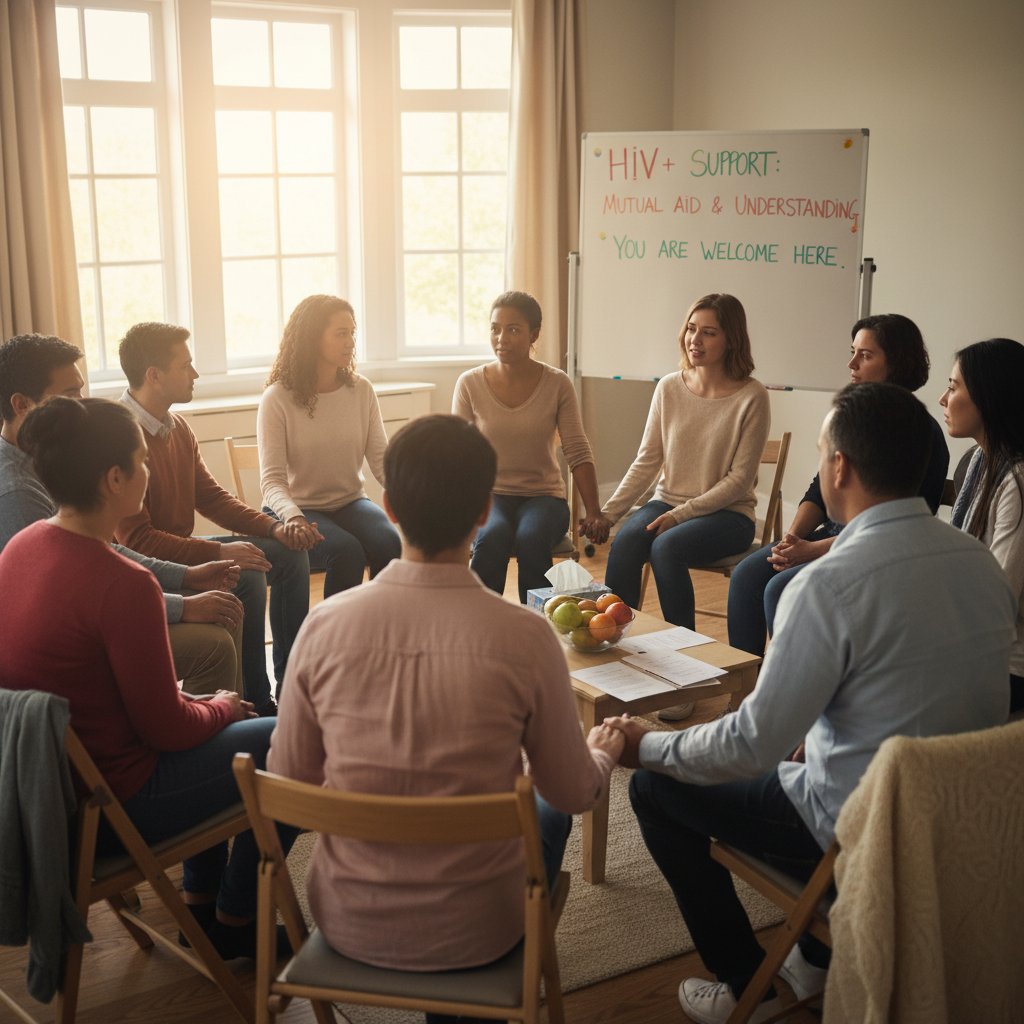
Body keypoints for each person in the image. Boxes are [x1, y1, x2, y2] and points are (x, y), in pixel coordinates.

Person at [604, 382, 1015, 1024]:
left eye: (822, 453)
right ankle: (817, 959)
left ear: (840, 467)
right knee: (795, 754)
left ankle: (747, 985)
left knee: (655, 791)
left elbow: (748, 745)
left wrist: (644, 746)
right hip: (959, 825)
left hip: (861, 833)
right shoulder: (979, 563)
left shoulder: (828, 584)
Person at [269, 414, 622, 1024]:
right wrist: (603, 751)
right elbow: (573, 791)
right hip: (481, 931)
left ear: (388, 509)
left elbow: (289, 783)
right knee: (544, 806)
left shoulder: (322, 625)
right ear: (485, 512)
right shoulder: (527, 635)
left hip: (348, 921)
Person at [0, 396, 295, 960]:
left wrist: (206, 706)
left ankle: (201, 900)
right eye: (142, 461)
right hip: (118, 809)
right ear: (114, 479)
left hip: (55, 797)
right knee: (300, 740)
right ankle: (236, 916)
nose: (150, 469)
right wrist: (223, 707)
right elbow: (169, 731)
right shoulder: (124, 584)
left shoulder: (23, 545)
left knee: (223, 718)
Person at [0, 333, 243, 696]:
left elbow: (96, 551)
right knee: (214, 643)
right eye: (69, 396)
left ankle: (233, 714)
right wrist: (182, 606)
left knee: (225, 605)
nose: (82, 405)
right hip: (67, 646)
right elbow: (75, 595)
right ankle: (216, 731)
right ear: (21, 404)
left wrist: (188, 574)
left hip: (88, 610)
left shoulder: (46, 461)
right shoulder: (17, 491)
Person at [114, 323, 311, 715]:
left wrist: (273, 526)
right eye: (186, 365)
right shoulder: (120, 434)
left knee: (287, 554)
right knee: (248, 575)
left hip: (182, 550)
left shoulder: (177, 426)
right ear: (154, 375)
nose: (195, 374)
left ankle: (290, 684)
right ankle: (253, 697)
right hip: (149, 565)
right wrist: (219, 553)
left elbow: (212, 498)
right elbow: (137, 541)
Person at [727, 313, 950, 656]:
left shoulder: (921, 434)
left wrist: (813, 550)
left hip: (871, 548)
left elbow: (898, 527)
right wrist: (794, 538)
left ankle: (794, 693)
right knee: (746, 576)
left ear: (897, 363)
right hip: (826, 538)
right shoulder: (852, 419)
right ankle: (748, 690)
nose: (851, 364)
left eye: (865, 355)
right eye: (853, 352)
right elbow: (820, 487)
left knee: (782, 588)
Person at [593, 293, 770, 630]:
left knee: (667, 547)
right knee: (626, 542)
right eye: (691, 328)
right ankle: (616, 641)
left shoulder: (752, 396)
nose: (695, 340)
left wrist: (681, 515)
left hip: (728, 515)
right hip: (668, 502)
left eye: (709, 332)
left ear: (732, 339)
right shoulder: (669, 388)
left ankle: (684, 654)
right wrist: (609, 513)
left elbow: (740, 481)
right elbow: (647, 461)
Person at [452, 291, 607, 603]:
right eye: (495, 329)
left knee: (531, 537)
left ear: (534, 334)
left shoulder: (557, 383)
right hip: (491, 496)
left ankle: (540, 627)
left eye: (513, 329)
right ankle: (478, 624)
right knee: (492, 536)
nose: (501, 338)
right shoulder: (469, 383)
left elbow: (577, 449)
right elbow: (457, 453)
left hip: (544, 498)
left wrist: (594, 511)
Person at [257, 295, 400, 598]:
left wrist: (411, 497)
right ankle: (336, 637)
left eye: (352, 333)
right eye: (340, 333)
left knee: (390, 542)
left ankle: (376, 631)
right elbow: (271, 482)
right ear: (312, 338)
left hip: (350, 502)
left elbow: (381, 461)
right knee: (347, 552)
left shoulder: (361, 390)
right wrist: (293, 516)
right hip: (299, 508)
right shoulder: (278, 398)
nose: (349, 342)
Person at [940, 337, 1024, 714]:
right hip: (972, 643)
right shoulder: (979, 460)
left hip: (1005, 664)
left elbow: (998, 597)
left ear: (989, 397)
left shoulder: (1018, 480)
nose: (943, 399)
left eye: (954, 387)